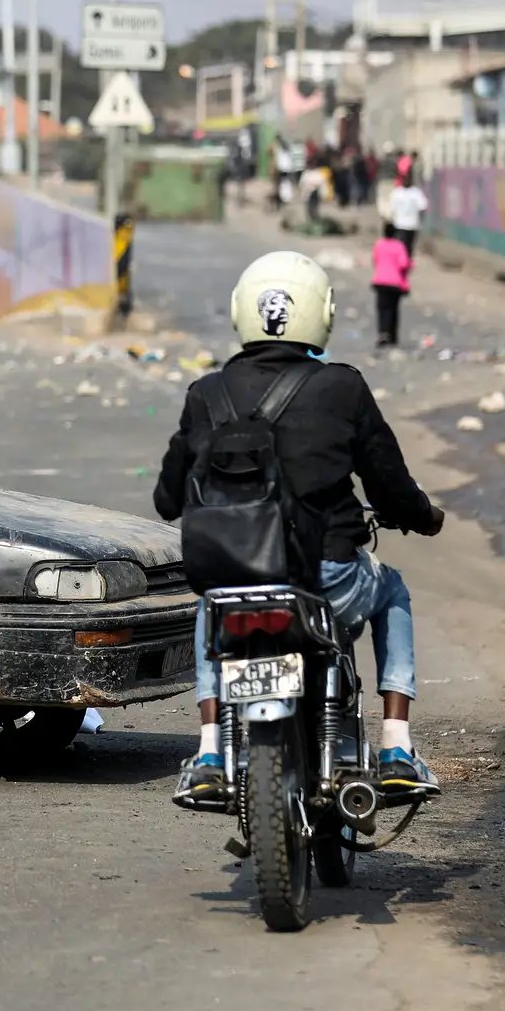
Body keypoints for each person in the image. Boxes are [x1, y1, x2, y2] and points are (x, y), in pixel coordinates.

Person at [155, 251, 446, 803]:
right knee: (394, 590)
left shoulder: (206, 394)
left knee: (210, 602)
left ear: (244, 312)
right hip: (328, 578)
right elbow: (388, 484)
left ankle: (211, 750)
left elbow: (166, 498)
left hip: (236, 579)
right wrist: (423, 517)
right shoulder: (343, 387)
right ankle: (397, 748)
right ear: (323, 312)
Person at [372, 222, 412, 347]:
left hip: (380, 281)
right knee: (393, 309)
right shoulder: (399, 246)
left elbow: (375, 260)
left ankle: (382, 333)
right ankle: (392, 335)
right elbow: (404, 263)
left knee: (382, 308)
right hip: (395, 283)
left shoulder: (379, 244)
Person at [389, 168, 429, 258]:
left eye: (408, 179)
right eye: (404, 179)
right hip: (400, 224)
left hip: (412, 225)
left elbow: (422, 207)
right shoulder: (397, 193)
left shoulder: (416, 193)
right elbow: (393, 208)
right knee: (401, 246)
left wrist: (420, 221)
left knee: (409, 247)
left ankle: (406, 263)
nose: (406, 181)